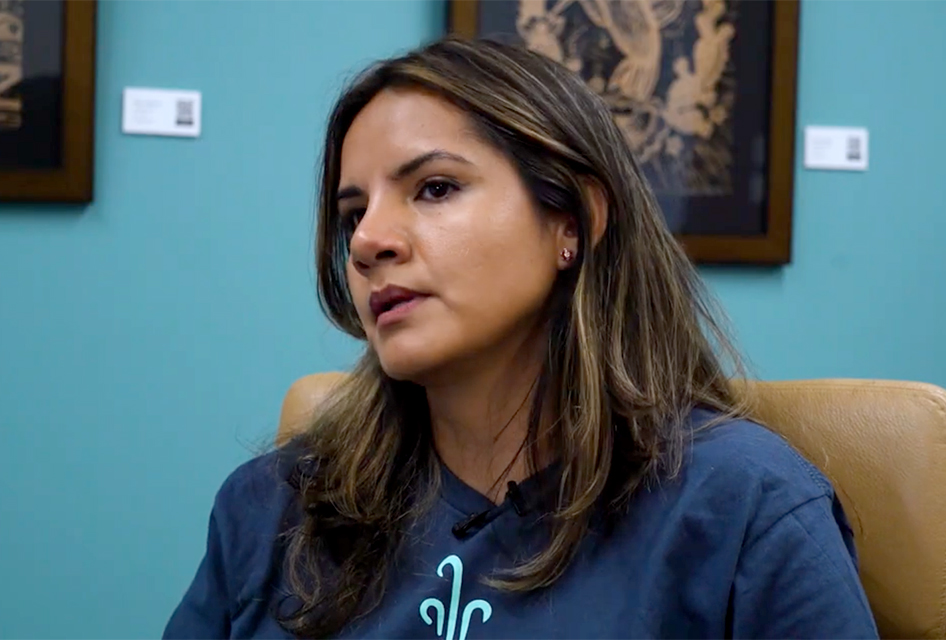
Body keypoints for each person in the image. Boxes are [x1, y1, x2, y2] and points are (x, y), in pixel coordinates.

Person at [164, 36, 879, 640]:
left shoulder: (747, 510)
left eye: (435, 188)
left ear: (573, 219)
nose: (368, 242)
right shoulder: (271, 509)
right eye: (353, 214)